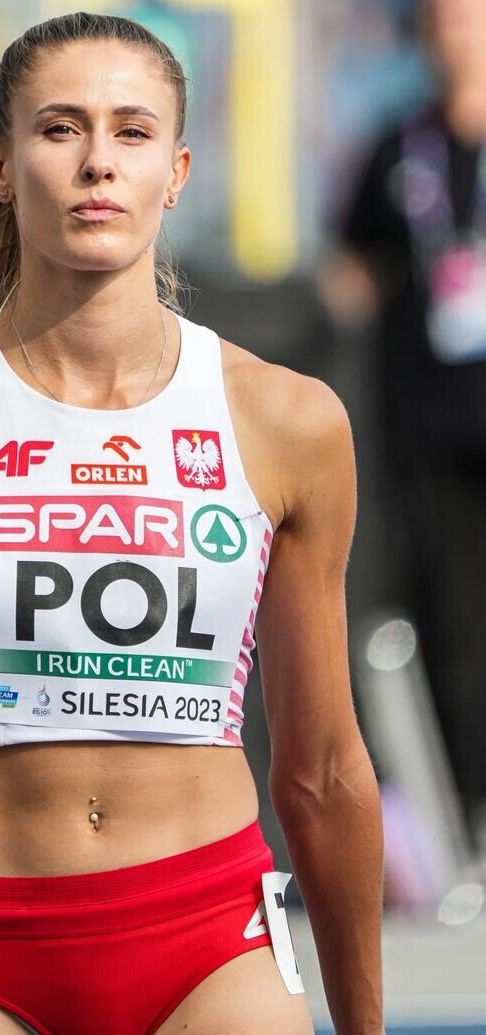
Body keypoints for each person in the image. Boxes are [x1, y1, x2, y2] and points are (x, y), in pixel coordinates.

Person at [0, 13, 383, 1035]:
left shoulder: (286, 420)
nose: (98, 162)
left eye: (132, 131)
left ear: (176, 173)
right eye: (60, 128)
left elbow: (324, 769)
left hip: (212, 943)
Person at [320, 0, 486, 855]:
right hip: (431, 426)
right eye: (442, 23)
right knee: (453, 618)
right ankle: (462, 811)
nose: (455, 37)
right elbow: (348, 267)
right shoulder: (399, 146)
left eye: (469, 21)